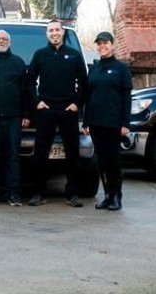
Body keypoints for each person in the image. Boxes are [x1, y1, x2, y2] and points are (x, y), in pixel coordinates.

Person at [27, 19, 88, 207]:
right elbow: (29, 81)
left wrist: (77, 104)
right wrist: (37, 102)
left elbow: (84, 83)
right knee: (40, 153)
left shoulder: (74, 55)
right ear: (47, 34)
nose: (54, 33)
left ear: (63, 33)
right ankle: (39, 193)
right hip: (46, 110)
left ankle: (73, 194)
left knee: (72, 153)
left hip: (68, 110)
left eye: (57, 30)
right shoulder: (40, 55)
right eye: (51, 30)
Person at [0, 29, 34, 206]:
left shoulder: (18, 63)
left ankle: (13, 194)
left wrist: (26, 114)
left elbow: (26, 91)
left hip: (14, 118)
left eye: (4, 39)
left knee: (13, 157)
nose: (1, 41)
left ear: (10, 43)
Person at [83, 31, 132, 211]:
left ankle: (116, 196)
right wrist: (86, 122)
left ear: (112, 45)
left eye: (105, 43)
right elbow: (88, 96)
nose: (102, 46)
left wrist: (125, 123)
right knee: (101, 161)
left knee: (113, 161)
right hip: (96, 122)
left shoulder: (121, 69)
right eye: (99, 44)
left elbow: (127, 98)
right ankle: (107, 196)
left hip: (113, 123)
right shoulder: (94, 69)